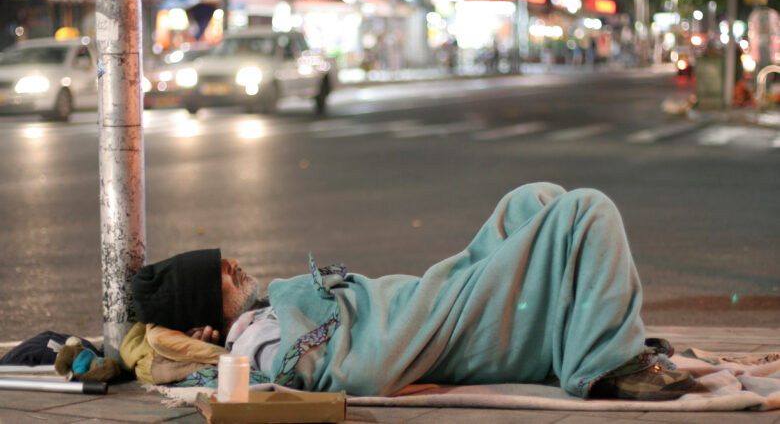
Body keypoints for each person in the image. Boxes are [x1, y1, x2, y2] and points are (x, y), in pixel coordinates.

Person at [130, 183, 696, 400]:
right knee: (587, 211)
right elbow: (345, 370)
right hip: (444, 327)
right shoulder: (255, 341)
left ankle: (575, 333)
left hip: (435, 295)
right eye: (220, 275)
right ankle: (608, 365)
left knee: (534, 199)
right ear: (206, 316)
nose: (233, 265)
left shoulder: (265, 312)